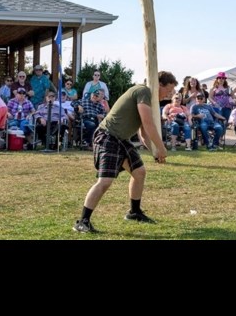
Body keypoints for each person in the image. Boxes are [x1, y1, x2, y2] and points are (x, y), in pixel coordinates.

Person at [73, 71, 176, 234]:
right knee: (105, 181)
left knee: (139, 172)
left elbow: (143, 132)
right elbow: (149, 125)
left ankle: (134, 212)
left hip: (121, 139)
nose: (169, 95)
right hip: (108, 136)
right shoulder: (143, 91)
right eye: (168, 90)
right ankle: (82, 221)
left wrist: (154, 152)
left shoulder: (148, 98)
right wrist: (162, 147)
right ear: (159, 85)